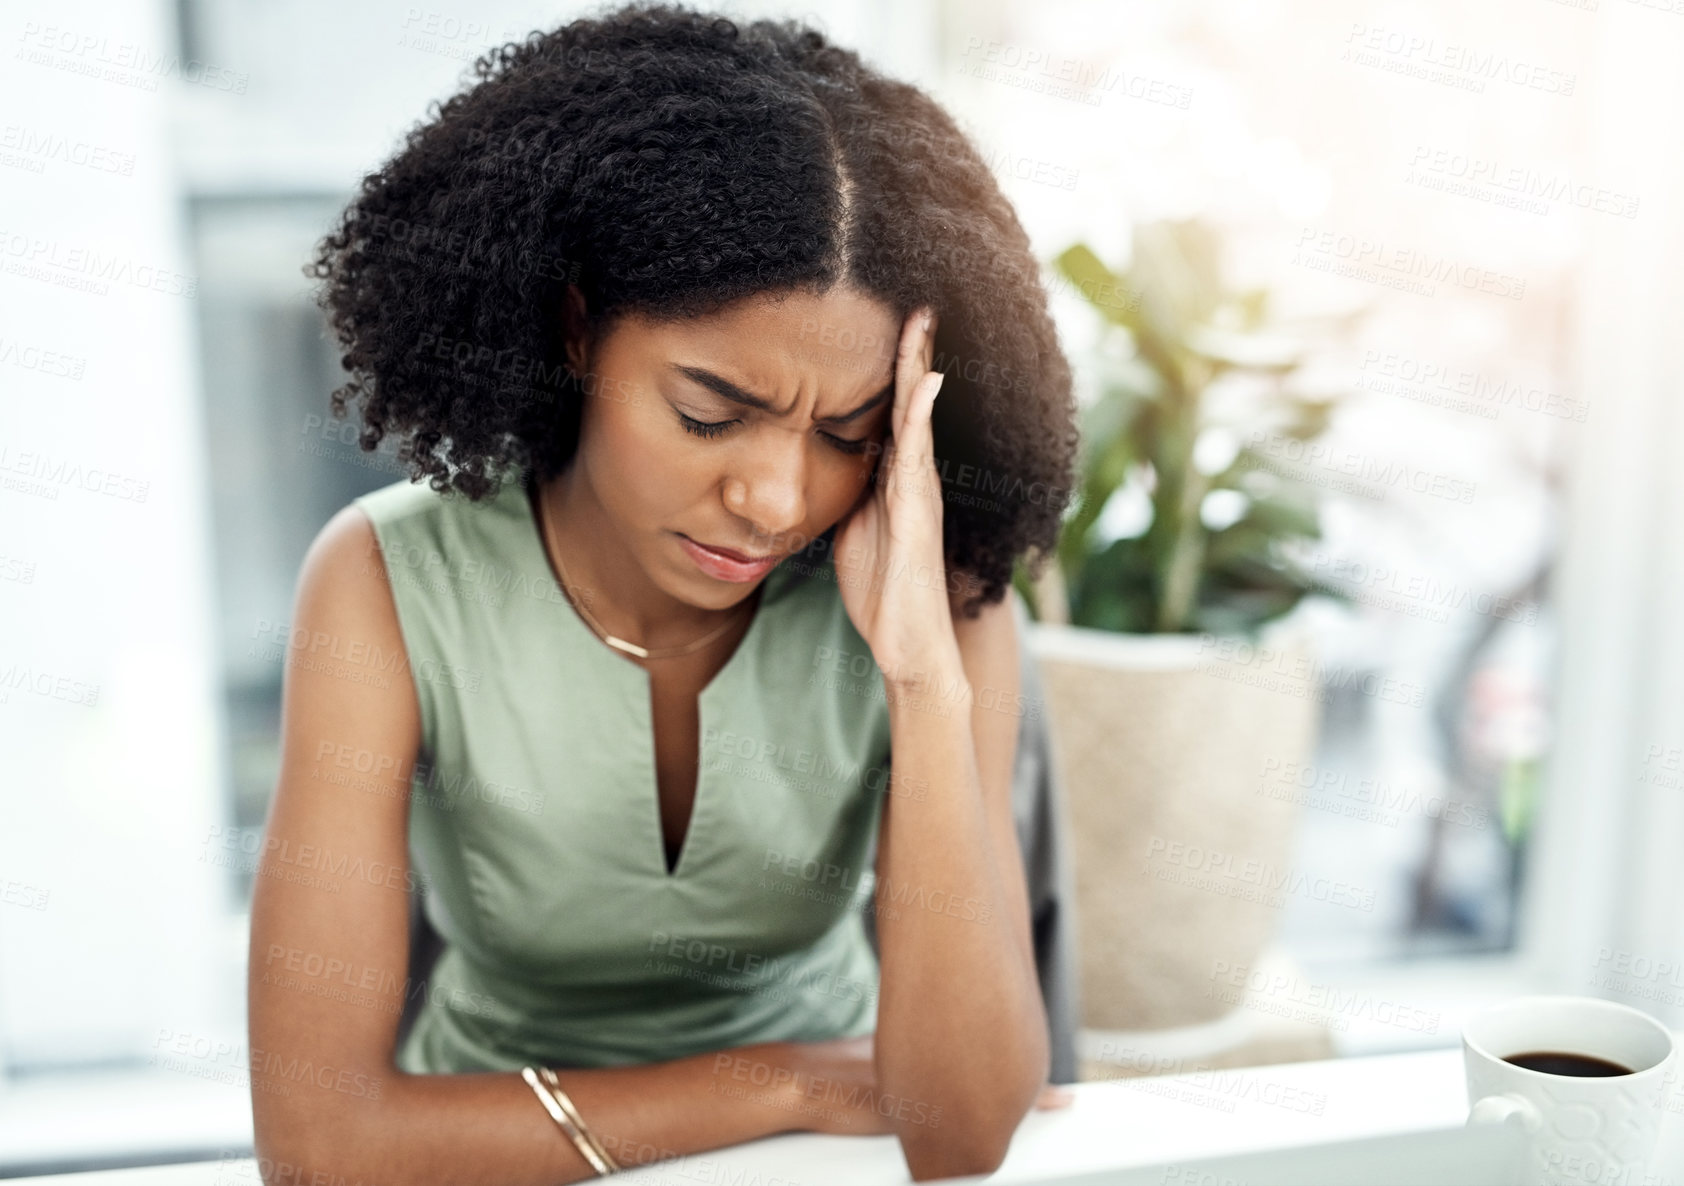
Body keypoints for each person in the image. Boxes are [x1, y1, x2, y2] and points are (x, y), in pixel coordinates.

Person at [247, 4, 1080, 1181]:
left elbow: (959, 1128)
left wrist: (923, 680)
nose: (777, 498)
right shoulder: (386, 581)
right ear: (579, 328)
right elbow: (321, 1148)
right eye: (708, 412)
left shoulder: (931, 598)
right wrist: (782, 1081)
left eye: (846, 434)